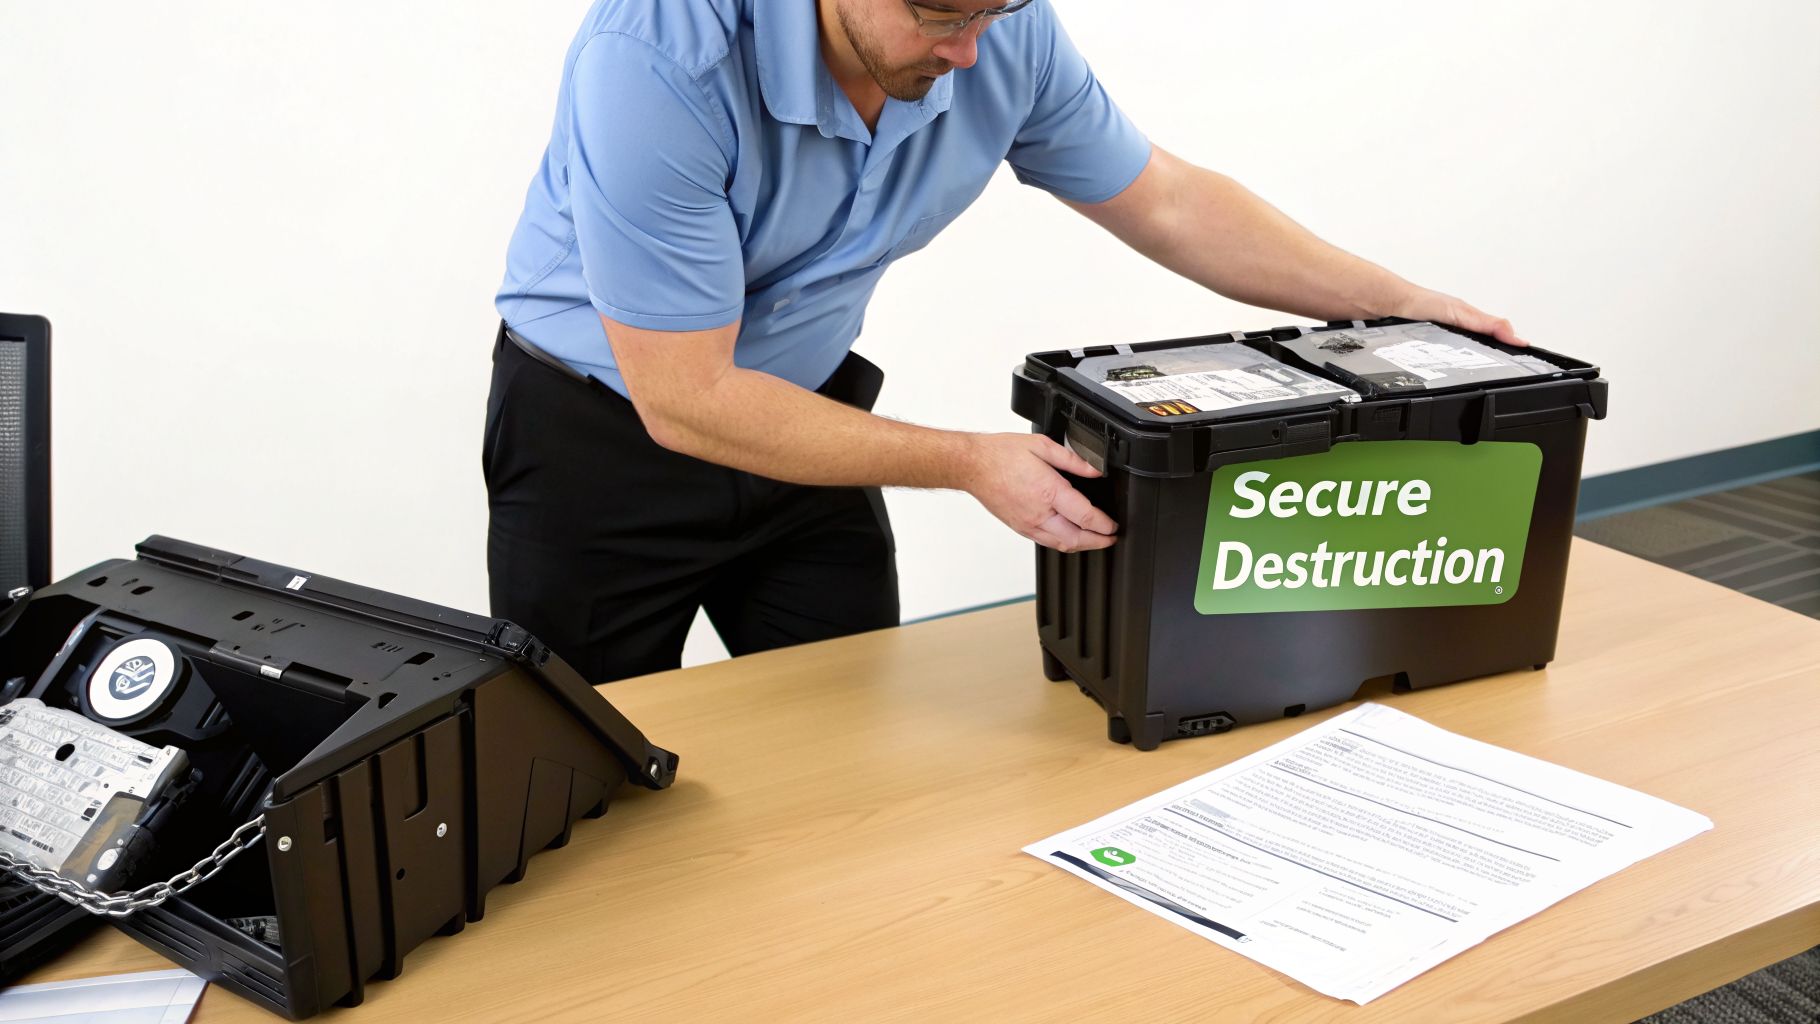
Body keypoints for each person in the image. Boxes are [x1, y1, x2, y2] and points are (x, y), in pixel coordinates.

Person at [485, 0, 1524, 684]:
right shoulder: (658, 60)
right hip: (601, 440)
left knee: (843, 736)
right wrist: (969, 462)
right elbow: (688, 397)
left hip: (809, 419)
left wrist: (1395, 305)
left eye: (991, 10)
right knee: (580, 775)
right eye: (939, 13)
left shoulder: (992, 31)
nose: (968, 53)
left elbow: (1163, 202)